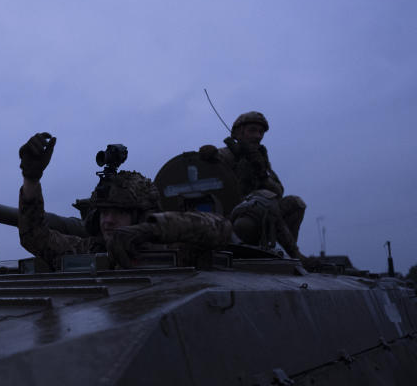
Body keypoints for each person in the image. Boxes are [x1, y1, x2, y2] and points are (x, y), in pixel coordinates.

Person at [17, 132, 232, 269]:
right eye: (103, 212)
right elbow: (35, 236)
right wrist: (31, 179)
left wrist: (152, 230)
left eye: (119, 212)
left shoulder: (175, 250)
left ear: (141, 215)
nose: (107, 220)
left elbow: (221, 227)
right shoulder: (89, 251)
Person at [199, 111, 306, 248]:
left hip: (258, 212)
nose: (258, 136)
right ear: (238, 133)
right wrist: (207, 154)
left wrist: (262, 175)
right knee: (245, 225)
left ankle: (288, 253)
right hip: (232, 217)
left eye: (261, 132)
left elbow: (279, 191)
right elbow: (205, 173)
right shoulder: (225, 155)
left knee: (295, 203)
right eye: (252, 130)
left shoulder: (260, 160)